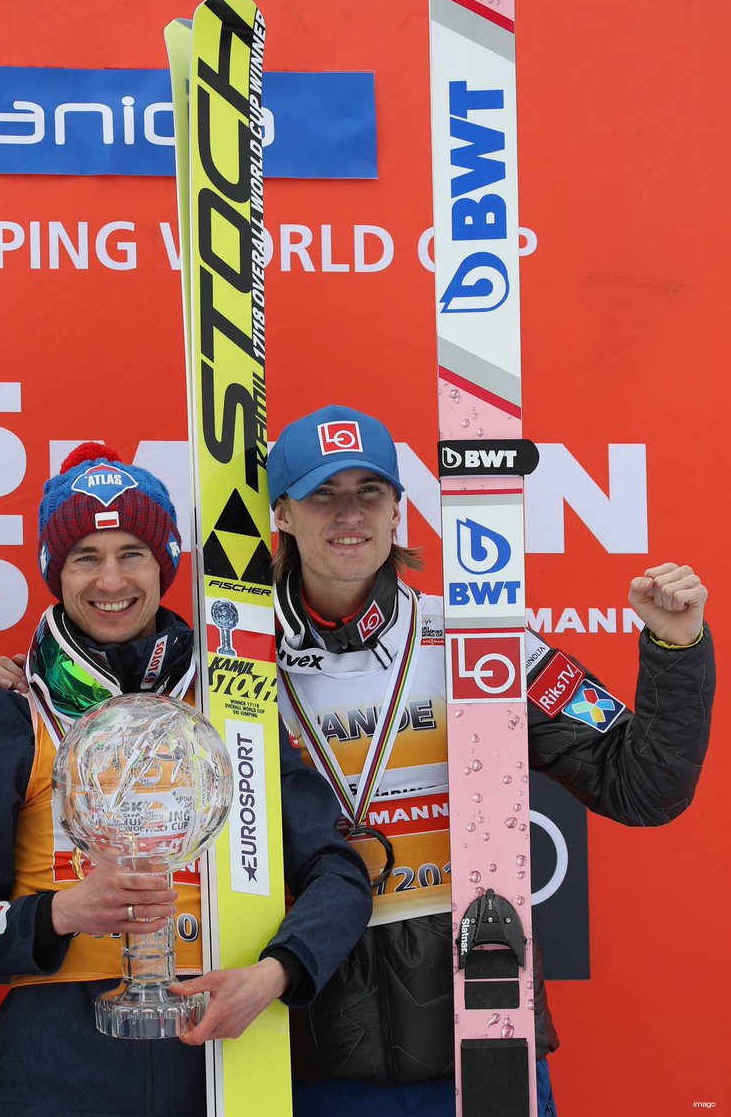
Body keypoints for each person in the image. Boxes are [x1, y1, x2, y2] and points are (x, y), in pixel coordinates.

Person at [265, 405, 714, 1117]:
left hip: (483, 1038)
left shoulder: (478, 640)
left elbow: (641, 784)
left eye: (370, 491)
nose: (349, 514)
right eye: (323, 493)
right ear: (283, 514)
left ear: (397, 508)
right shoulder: (237, 662)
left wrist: (676, 648)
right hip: (308, 1055)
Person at [0, 442, 374, 1117]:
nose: (111, 580)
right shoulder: (12, 710)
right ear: (55, 571)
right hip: (53, 1064)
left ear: (165, 561)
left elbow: (338, 872)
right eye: (85, 556)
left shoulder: (232, 706)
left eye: (133, 553)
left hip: (220, 1053)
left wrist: (276, 973)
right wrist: (60, 913)